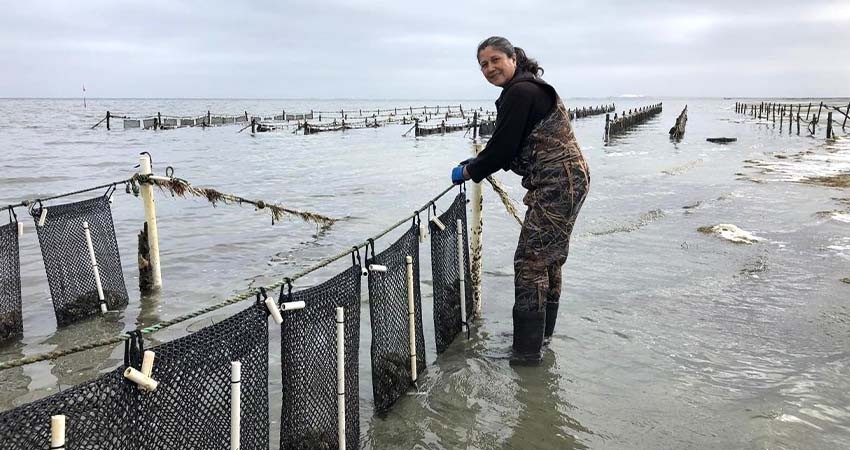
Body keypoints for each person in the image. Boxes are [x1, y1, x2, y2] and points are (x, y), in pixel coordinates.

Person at [451, 36, 590, 365]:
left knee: (530, 263)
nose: (489, 68)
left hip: (556, 183)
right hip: (568, 180)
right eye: (483, 65)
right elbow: (503, 140)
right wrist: (474, 164)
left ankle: (525, 355)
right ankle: (541, 339)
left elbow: (502, 149)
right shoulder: (527, 88)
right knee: (548, 259)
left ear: (513, 58)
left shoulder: (521, 92)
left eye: (495, 60)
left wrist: (469, 172)